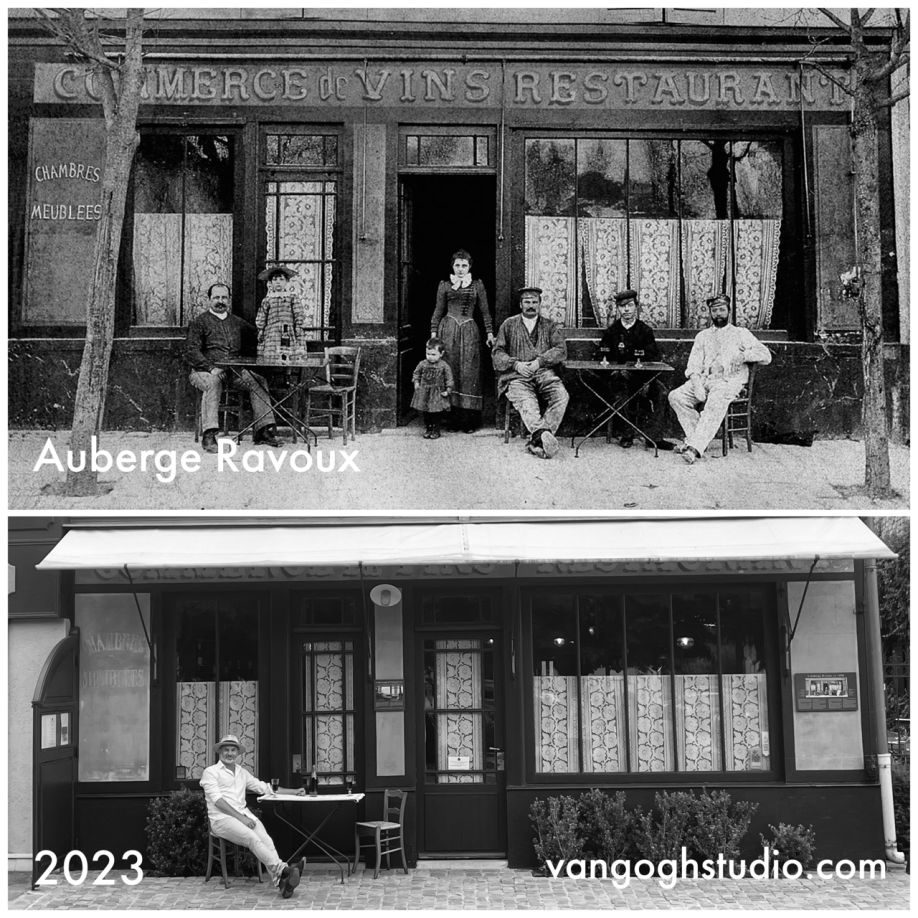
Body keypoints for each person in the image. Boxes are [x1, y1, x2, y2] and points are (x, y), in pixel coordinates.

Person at [668, 293, 772, 464]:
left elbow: (766, 356)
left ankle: (694, 447)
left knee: (716, 400)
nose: (718, 314)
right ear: (710, 313)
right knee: (676, 396)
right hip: (705, 380)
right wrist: (697, 385)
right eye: (714, 310)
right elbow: (693, 365)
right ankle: (698, 440)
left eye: (722, 310)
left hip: (729, 382)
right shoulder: (702, 336)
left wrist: (744, 355)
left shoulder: (741, 333)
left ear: (728, 311)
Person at [200, 734, 305, 898]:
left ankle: (283, 883)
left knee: (267, 840)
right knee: (251, 837)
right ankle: (284, 870)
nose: (229, 753)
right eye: (226, 749)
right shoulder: (210, 772)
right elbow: (218, 801)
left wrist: (294, 791)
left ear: (237, 753)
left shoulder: (242, 772)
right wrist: (241, 819)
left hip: (244, 816)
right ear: (219, 752)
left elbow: (264, 788)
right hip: (221, 820)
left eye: (233, 750)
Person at [186, 283, 283, 453]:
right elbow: (191, 351)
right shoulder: (199, 322)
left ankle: (262, 430)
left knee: (258, 381)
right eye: (216, 297)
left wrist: (275, 323)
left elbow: (258, 334)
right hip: (204, 372)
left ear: (229, 300)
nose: (220, 301)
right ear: (209, 300)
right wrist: (210, 368)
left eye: (224, 297)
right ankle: (209, 435)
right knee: (213, 382)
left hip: (233, 372)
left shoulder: (237, 322)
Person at [492, 286, 569, 459]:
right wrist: (516, 364)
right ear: (520, 304)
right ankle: (542, 439)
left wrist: (539, 362)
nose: (531, 305)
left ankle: (537, 440)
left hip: (543, 372)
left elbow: (560, 349)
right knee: (528, 405)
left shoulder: (549, 326)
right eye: (527, 302)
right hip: (516, 376)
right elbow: (497, 353)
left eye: (535, 302)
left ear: (540, 304)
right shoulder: (509, 324)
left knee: (561, 396)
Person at [599, 289, 675, 450]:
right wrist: (614, 371)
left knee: (661, 393)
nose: (626, 310)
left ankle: (654, 437)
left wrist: (647, 380)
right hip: (620, 378)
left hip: (643, 378)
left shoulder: (645, 331)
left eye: (630, 305)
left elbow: (653, 358)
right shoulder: (611, 332)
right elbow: (602, 356)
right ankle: (627, 434)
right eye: (622, 306)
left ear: (636, 307)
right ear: (618, 309)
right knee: (620, 392)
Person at [429, 249, 494, 433]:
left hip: (469, 331)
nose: (460, 269)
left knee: (468, 372)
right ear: (452, 266)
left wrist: (489, 333)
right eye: (457, 265)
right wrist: (434, 335)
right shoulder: (444, 285)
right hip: (448, 329)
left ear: (469, 266)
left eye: (464, 265)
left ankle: (469, 421)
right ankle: (451, 419)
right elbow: (438, 310)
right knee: (450, 370)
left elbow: (485, 312)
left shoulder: (477, 285)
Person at [255, 266, 309, 363]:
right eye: (275, 280)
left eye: (281, 279)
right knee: (271, 357)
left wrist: (298, 328)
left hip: (288, 332)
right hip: (271, 333)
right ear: (271, 283)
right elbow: (262, 316)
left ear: (287, 282)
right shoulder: (267, 299)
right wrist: (261, 330)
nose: (278, 282)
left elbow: (298, 314)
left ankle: (287, 375)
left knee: (288, 356)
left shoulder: (292, 297)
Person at [411, 337, 455, 439]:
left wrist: (448, 390)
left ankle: (436, 429)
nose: (430, 357)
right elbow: (416, 373)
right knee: (425, 411)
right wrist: (416, 382)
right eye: (428, 354)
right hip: (424, 392)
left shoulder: (444, 366)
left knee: (435, 412)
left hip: (437, 393)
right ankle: (428, 428)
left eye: (433, 354)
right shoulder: (422, 364)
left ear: (441, 354)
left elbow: (449, 378)